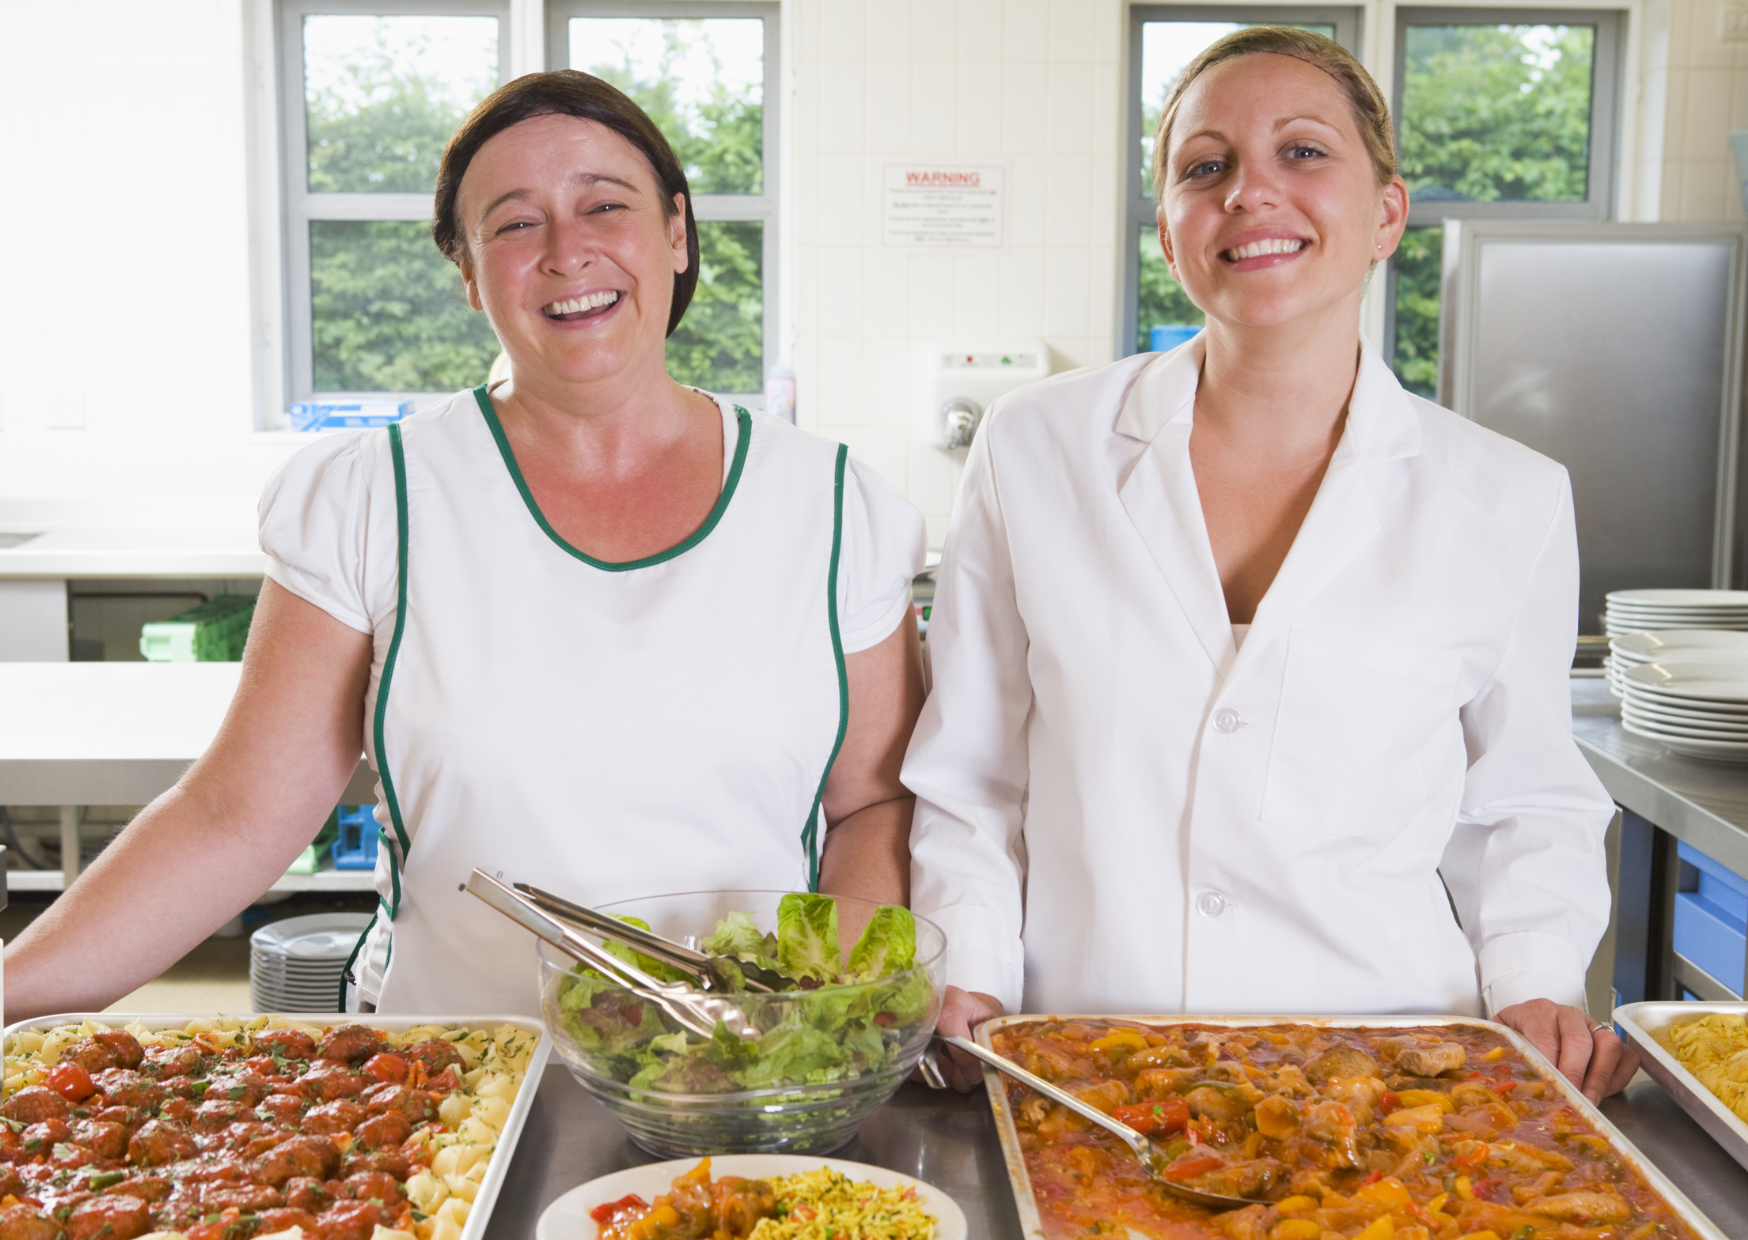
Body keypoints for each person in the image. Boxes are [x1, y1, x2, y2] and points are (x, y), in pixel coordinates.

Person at [5, 71, 925, 1018]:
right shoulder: (373, 495)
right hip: (446, 1081)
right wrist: (9, 993)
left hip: (748, 1084)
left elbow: (876, 805)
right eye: (516, 224)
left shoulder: (831, 503)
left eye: (605, 205)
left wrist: (798, 1020)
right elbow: (232, 819)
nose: (568, 252)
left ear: (677, 233)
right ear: (469, 273)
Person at [907, 27, 1637, 1102]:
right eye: (1205, 167)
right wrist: (965, 960)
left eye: (1302, 153)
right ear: (1166, 229)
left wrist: (1531, 979)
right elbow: (972, 771)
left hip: (1389, 1075)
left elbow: (1525, 800)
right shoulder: (1034, 447)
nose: (1251, 193)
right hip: (1087, 1066)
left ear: (1385, 211)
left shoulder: (1505, 496)